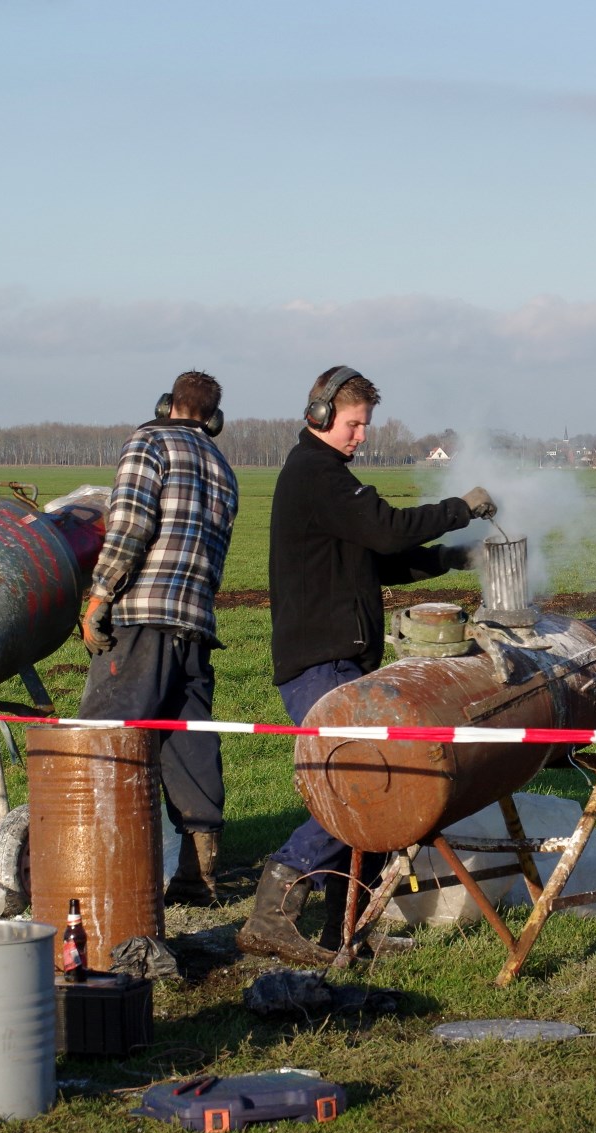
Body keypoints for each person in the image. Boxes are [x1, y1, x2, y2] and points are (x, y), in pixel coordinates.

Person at [236, 365, 496, 964]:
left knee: (379, 788)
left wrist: (449, 558)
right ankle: (274, 909)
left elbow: (379, 563)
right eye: (354, 425)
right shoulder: (316, 476)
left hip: (340, 661)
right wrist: (461, 508)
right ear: (322, 415)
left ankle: (347, 928)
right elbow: (386, 530)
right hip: (319, 664)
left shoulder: (328, 481)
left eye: (364, 427)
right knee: (360, 794)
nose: (360, 437)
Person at [77, 370, 239, 906]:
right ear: (212, 419)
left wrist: (99, 597)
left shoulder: (150, 440)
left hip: (143, 619)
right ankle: (199, 875)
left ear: (168, 404)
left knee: (106, 740)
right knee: (188, 742)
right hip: (195, 627)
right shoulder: (223, 468)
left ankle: (99, 867)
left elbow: (130, 525)